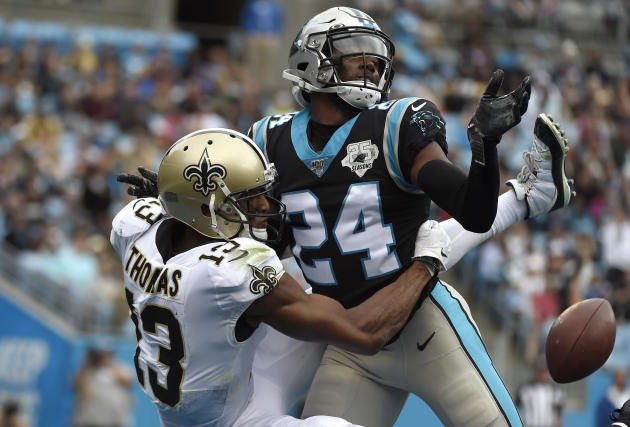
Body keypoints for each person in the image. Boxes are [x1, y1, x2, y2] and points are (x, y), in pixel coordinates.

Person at [119, 7, 574, 426]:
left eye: (375, 57)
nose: (370, 65)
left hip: (423, 325)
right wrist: (172, 201)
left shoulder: (396, 123)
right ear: (310, 61)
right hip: (347, 338)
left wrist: (484, 149)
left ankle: (529, 194)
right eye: (355, 54)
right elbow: (243, 223)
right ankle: (530, 194)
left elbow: (473, 212)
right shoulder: (268, 138)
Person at [110, 128, 451, 426]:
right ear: (206, 210)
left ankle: (508, 201)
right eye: (248, 199)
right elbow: (365, 333)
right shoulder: (228, 272)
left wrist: (170, 197)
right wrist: (424, 265)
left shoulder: (135, 223)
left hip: (210, 391)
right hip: (232, 420)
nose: (264, 207)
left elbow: (170, 216)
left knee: (327, 282)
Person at [72, 345, 133, 427]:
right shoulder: (86, 370)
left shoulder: (120, 367)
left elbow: (128, 382)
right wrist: (87, 364)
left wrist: (109, 364)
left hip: (114, 421)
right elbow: (75, 385)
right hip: (88, 420)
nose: (101, 357)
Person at [515, 357, 564, 427]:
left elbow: (558, 414)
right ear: (535, 371)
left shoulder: (555, 390)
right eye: (539, 371)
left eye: (544, 371)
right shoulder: (525, 388)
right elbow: (516, 407)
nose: (541, 374)